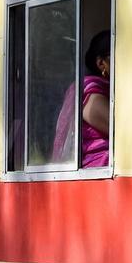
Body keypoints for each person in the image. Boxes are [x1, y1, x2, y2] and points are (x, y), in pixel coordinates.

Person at [52, 31, 112, 168]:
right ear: (101, 63)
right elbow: (122, 131)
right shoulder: (90, 90)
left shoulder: (112, 90)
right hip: (98, 173)